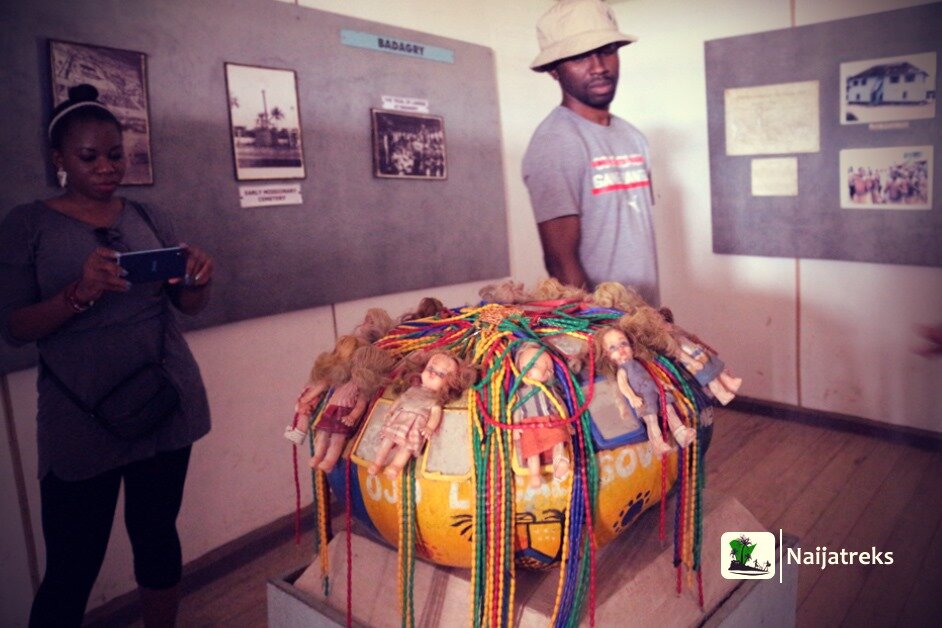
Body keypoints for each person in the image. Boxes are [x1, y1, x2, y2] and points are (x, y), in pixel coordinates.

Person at [0, 84, 214, 627]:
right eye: (88, 156)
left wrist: (198, 280)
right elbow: (15, 328)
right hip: (81, 418)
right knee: (72, 565)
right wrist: (79, 293)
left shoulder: (148, 214)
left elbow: (185, 306)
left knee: (156, 535)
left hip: (165, 400)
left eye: (116, 155)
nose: (106, 167)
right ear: (59, 159)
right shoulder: (28, 224)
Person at [522, 0, 660, 306]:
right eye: (579, 56)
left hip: (646, 316)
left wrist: (651, 321)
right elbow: (561, 264)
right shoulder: (554, 144)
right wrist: (603, 328)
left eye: (606, 50)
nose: (598, 67)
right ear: (554, 70)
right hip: (605, 326)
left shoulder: (634, 137)